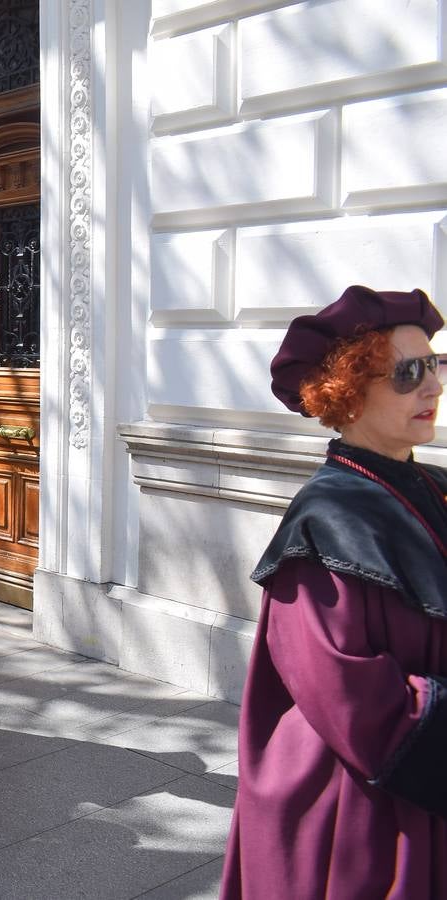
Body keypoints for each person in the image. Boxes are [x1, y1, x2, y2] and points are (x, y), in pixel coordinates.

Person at [221, 285, 447, 898]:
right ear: (349, 390)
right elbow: (349, 695)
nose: (432, 387)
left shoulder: (433, 485)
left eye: (435, 365)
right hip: (365, 806)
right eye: (408, 373)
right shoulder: (327, 520)